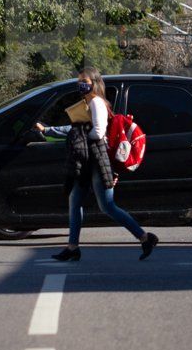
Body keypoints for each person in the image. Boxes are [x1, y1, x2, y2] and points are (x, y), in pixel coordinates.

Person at [35, 67, 158, 262]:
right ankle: (72, 247)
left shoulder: (96, 102)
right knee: (75, 201)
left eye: (84, 81)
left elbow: (98, 133)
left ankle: (144, 237)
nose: (80, 84)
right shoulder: (88, 102)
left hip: (97, 159)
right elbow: (78, 127)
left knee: (108, 206)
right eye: (79, 81)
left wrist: (79, 134)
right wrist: (50, 130)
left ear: (94, 82)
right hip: (88, 159)